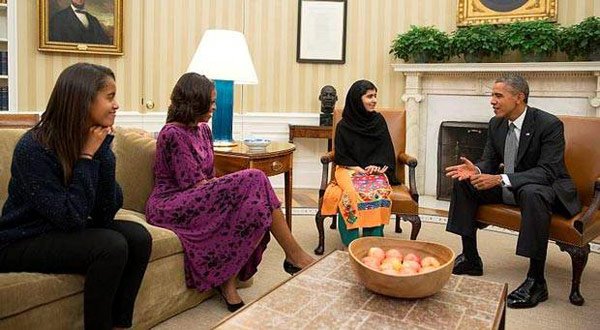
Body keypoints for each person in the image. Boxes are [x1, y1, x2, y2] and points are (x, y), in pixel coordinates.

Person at [145, 72, 315, 312]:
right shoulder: (171, 133)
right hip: (172, 203)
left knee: (256, 207)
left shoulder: (204, 129)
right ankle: (295, 256)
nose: (215, 107)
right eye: (211, 101)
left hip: (198, 195)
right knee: (255, 177)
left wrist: (227, 191)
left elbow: (209, 176)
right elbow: (190, 184)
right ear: (195, 101)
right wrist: (230, 190)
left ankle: (229, 282)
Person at [0, 63, 152, 329]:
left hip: (61, 226)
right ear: (83, 100)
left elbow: (105, 213)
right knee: (110, 245)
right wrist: (86, 157)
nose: (116, 105)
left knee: (139, 237)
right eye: (110, 96)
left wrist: (103, 152)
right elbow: (71, 218)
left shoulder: (90, 139)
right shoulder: (33, 148)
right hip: (22, 238)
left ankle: (120, 323)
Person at [445, 75, 581, 309]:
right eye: (492, 95)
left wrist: (499, 178)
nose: (492, 101)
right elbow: (490, 160)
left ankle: (536, 281)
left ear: (519, 98)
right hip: (511, 184)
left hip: (545, 187)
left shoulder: (549, 125)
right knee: (463, 182)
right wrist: (476, 169)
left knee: (532, 193)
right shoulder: (496, 123)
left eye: (498, 96)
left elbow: (548, 171)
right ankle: (470, 258)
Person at [320, 80, 399, 246]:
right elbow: (341, 156)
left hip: (374, 171)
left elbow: (386, 150)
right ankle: (352, 244)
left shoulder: (378, 121)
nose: (374, 100)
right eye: (369, 96)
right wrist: (359, 170)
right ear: (357, 99)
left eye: (375, 96)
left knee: (377, 191)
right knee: (351, 193)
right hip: (348, 168)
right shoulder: (343, 125)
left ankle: (372, 242)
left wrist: (376, 166)